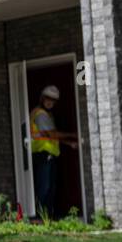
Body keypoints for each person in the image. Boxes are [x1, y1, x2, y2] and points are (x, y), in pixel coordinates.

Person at [29, 84, 78, 221]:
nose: (50, 102)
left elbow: (51, 136)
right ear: (42, 99)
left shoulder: (47, 115)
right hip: (42, 154)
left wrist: (68, 143)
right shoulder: (40, 114)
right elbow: (51, 134)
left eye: (53, 100)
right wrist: (73, 135)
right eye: (48, 99)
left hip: (49, 155)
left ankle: (47, 217)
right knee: (44, 188)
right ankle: (40, 217)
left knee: (50, 188)